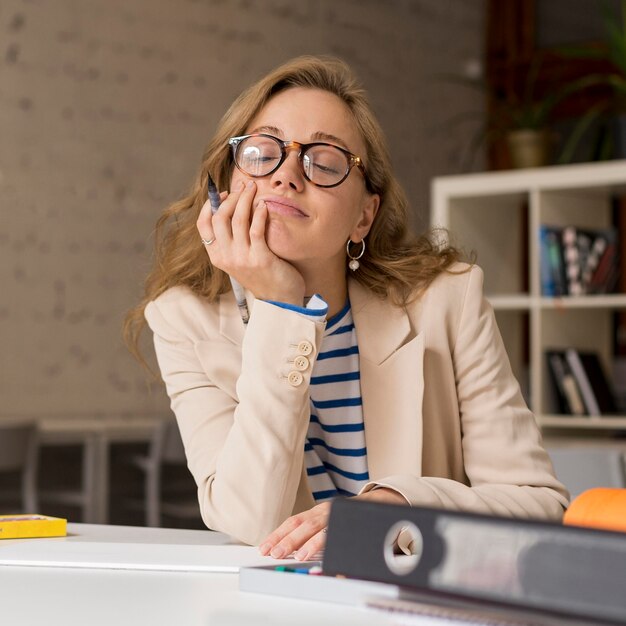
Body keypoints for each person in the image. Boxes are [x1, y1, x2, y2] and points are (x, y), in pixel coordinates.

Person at [124, 55, 568, 559]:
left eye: (326, 163)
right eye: (262, 152)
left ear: (364, 215)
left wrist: (394, 506)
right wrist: (282, 309)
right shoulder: (183, 319)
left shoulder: (448, 300)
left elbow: (540, 505)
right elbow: (251, 519)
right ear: (225, 187)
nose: (287, 175)